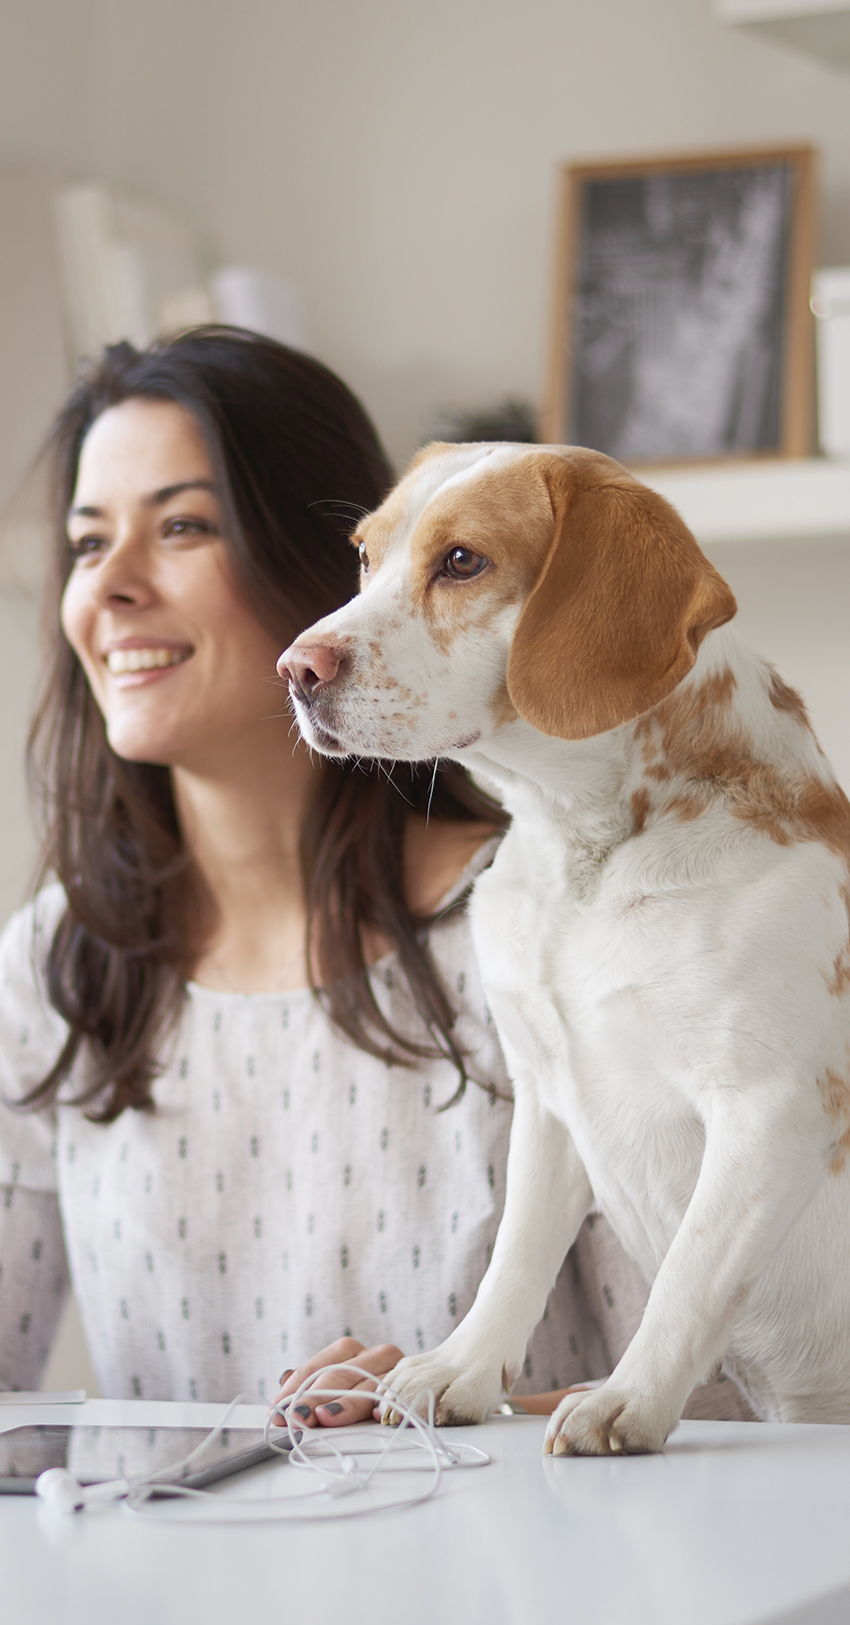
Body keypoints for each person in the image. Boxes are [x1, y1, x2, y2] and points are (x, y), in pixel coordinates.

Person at [0, 327, 749, 1428]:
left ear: (341, 571)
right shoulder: (52, 961)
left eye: (183, 527)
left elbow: (738, 1398)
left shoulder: (549, 936)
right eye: (85, 541)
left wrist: (440, 1404)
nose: (108, 587)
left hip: (544, 1591)